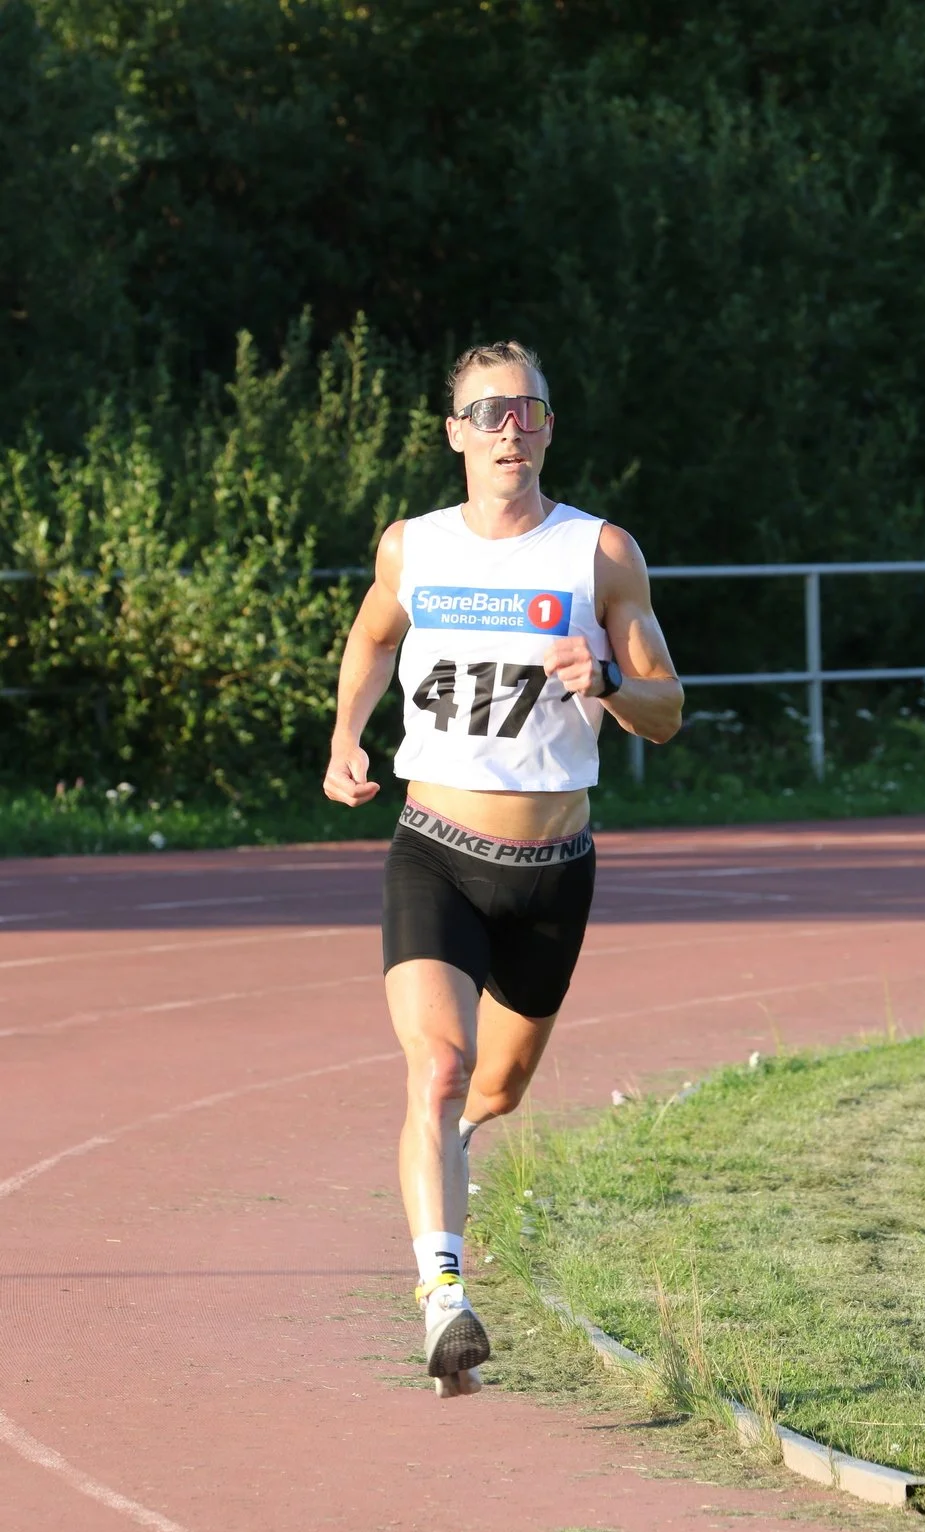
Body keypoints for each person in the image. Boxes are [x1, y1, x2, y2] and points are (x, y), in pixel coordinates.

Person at [323, 340, 682, 1397]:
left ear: (548, 429)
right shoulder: (412, 547)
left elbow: (666, 712)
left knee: (497, 1086)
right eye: (487, 413)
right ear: (454, 433)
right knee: (433, 1066)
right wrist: (346, 735)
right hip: (433, 850)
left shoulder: (600, 555)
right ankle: (444, 1294)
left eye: (526, 411)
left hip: (552, 868)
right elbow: (371, 638)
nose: (508, 429)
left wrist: (610, 675)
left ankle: (448, 1149)